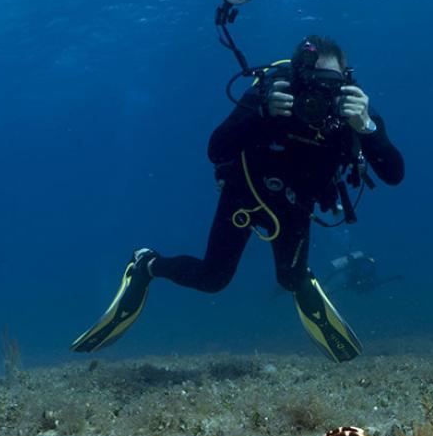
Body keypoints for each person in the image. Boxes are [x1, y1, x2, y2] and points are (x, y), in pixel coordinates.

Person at [71, 35, 405, 362]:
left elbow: (393, 174)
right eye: (312, 81)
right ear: (296, 76)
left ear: (346, 81)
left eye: (330, 82)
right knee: (213, 278)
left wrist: (366, 128)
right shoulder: (271, 93)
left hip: (295, 205)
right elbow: (216, 150)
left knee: (289, 279)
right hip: (245, 195)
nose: (319, 92)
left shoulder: (353, 112)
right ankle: (147, 264)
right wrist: (261, 112)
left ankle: (299, 277)